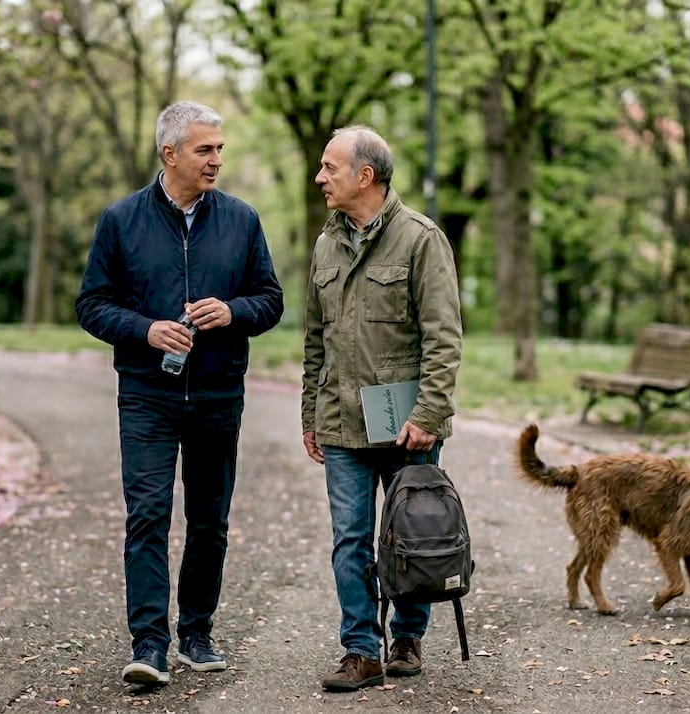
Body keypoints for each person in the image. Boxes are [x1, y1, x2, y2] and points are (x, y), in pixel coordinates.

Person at [75, 101, 284, 686]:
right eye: (205, 149)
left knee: (210, 519)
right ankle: (149, 643)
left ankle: (197, 631)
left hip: (218, 394)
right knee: (147, 515)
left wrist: (232, 311)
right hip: (147, 394)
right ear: (170, 154)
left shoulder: (242, 220)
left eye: (219, 149)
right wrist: (143, 329)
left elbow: (271, 299)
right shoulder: (121, 220)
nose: (216, 159)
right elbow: (91, 305)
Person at [300, 126, 463, 691]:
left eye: (330, 168)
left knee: (410, 537)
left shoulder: (421, 240)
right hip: (342, 423)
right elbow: (314, 341)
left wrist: (429, 413)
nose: (320, 177)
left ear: (363, 176)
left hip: (405, 427)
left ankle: (409, 640)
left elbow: (444, 338)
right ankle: (361, 650)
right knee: (349, 540)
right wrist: (309, 416)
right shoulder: (325, 244)